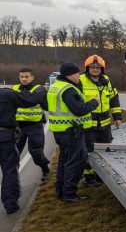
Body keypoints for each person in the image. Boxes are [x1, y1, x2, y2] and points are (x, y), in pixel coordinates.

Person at [48, 63, 99, 203]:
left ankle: (61, 190)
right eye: (77, 73)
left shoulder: (56, 86)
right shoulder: (68, 90)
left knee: (64, 161)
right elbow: (80, 109)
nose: (79, 76)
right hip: (71, 132)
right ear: (70, 75)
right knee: (75, 162)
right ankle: (69, 194)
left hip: (61, 131)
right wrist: (95, 102)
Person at [0, 81, 47, 214]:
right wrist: (41, 89)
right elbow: (32, 100)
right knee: (9, 170)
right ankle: (10, 204)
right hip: (5, 138)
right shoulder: (7, 94)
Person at [79, 55, 122, 187]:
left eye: (98, 68)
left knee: (105, 149)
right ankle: (88, 176)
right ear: (87, 68)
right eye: (92, 67)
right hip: (88, 123)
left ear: (103, 69)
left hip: (104, 123)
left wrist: (117, 117)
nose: (95, 70)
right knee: (89, 151)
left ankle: (101, 175)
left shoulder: (107, 81)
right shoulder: (80, 81)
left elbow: (114, 99)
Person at [13, 68, 51, 181]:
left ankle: (45, 169)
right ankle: (14, 176)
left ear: (32, 77)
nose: (24, 79)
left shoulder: (38, 90)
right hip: (18, 127)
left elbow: (47, 106)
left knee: (36, 153)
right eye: (21, 77)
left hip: (35, 126)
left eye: (26, 77)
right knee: (14, 153)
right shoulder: (14, 89)